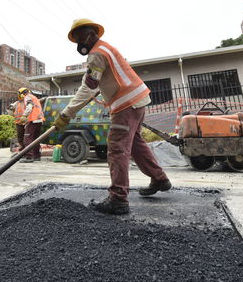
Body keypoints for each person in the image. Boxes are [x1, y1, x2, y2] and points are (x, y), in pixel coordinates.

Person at [53, 19, 172, 215]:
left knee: (117, 148)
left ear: (92, 35)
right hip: (137, 100)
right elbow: (97, 81)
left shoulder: (96, 54)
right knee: (135, 144)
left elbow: (88, 87)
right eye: (77, 40)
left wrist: (67, 113)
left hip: (126, 104)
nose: (79, 43)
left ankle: (118, 199)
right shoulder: (105, 49)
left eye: (81, 38)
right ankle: (159, 179)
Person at [9, 87, 45, 163]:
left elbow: (29, 106)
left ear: (22, 94)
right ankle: (36, 156)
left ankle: (29, 157)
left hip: (33, 120)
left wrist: (24, 115)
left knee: (27, 139)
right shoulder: (34, 97)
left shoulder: (27, 97)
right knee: (35, 139)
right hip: (39, 120)